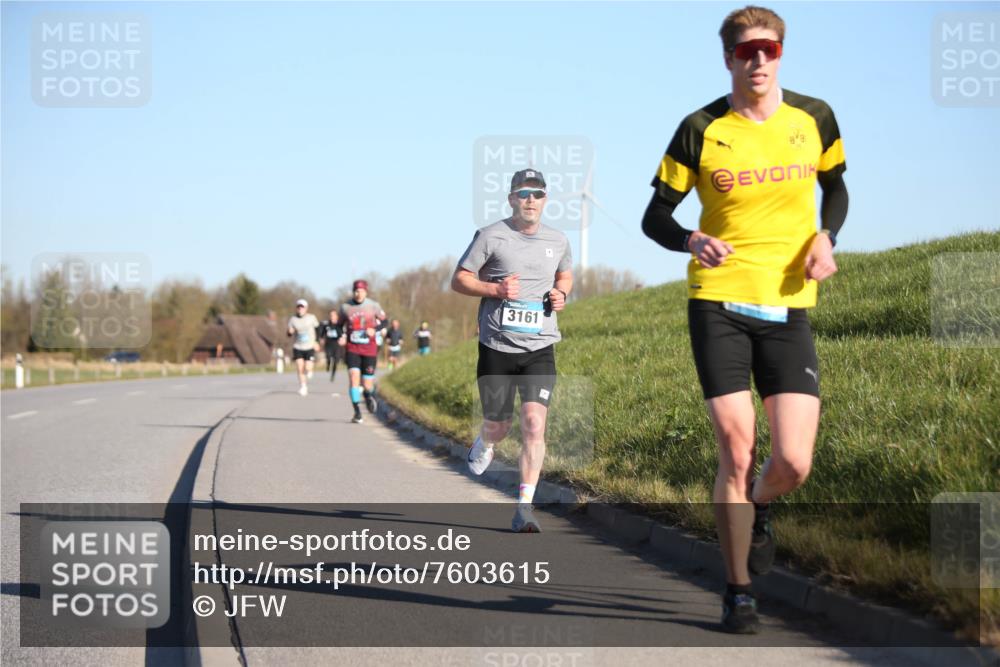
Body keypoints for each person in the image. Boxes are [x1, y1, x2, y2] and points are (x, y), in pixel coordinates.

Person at [641, 5, 848, 634]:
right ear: (728, 57)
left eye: (769, 50)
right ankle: (738, 592)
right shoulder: (701, 129)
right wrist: (691, 240)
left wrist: (827, 237)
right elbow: (655, 216)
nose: (758, 61)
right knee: (737, 445)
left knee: (793, 462)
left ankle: (758, 506)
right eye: (746, 51)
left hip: (789, 306)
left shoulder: (814, 118)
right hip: (719, 302)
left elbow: (836, 187)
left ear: (781, 54)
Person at [452, 169, 573, 533]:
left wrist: (561, 294)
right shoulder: (491, 235)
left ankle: (524, 507)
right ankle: (485, 440)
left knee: (534, 424)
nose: (530, 199)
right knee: (499, 424)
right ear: (511, 199)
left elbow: (565, 275)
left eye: (537, 193)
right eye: (523, 193)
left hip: (540, 345)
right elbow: (459, 279)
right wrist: (495, 291)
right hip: (497, 346)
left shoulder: (558, 240)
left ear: (546, 200)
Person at [338, 280, 387, 424]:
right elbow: (339, 325)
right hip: (352, 348)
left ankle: (367, 394)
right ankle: (357, 412)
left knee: (367, 384)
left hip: (369, 350)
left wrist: (375, 330)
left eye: (361, 291)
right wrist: (342, 336)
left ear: (366, 292)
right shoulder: (346, 307)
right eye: (356, 291)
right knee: (353, 377)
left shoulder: (373, 306)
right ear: (353, 292)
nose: (358, 294)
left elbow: (385, 322)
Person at [287, 299, 321, 396]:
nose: (300, 309)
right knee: (299, 367)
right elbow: (289, 333)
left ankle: (310, 370)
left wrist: (317, 342)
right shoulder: (293, 319)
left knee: (307, 367)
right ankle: (303, 386)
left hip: (309, 346)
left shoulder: (311, 318)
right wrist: (290, 332)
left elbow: (318, 330)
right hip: (298, 346)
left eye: (302, 307)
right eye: (298, 307)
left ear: (306, 308)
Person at [318, 309, 344, 381]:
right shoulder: (327, 324)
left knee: (336, 360)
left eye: (333, 315)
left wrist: (342, 339)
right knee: (328, 357)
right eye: (331, 315)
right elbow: (322, 333)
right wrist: (321, 339)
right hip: (328, 344)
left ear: (336, 316)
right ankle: (328, 364)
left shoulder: (339, 325)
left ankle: (333, 375)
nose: (332, 317)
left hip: (337, 344)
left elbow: (343, 333)